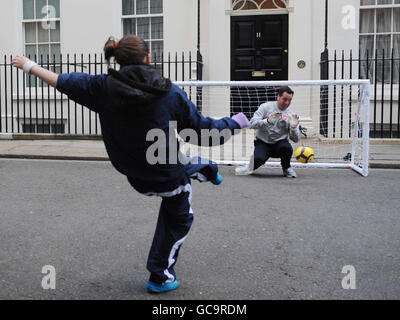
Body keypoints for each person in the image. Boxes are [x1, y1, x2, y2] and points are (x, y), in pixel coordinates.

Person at [12, 35, 250, 293]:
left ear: (117, 59)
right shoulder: (169, 92)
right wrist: (236, 122)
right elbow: (204, 131)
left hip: (135, 174)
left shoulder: (101, 87)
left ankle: (206, 168)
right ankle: (160, 276)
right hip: (166, 175)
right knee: (180, 216)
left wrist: (28, 65)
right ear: (148, 59)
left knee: (177, 163)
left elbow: (61, 81)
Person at [235, 86, 301, 178]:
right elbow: (251, 124)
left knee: (286, 148)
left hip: (279, 144)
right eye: (284, 99)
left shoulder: (291, 115)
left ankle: (286, 168)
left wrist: (293, 128)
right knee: (258, 158)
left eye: (289, 100)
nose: (287, 103)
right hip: (263, 142)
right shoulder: (265, 107)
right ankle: (249, 167)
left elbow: (296, 139)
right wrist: (267, 121)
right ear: (278, 97)